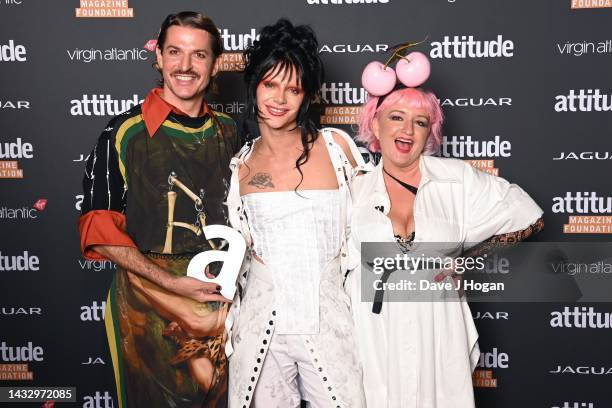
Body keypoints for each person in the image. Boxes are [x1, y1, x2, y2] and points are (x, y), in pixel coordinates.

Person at [77, 11, 240, 408]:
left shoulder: (234, 132)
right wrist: (169, 283)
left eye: (198, 55)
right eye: (175, 52)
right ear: (158, 58)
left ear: (215, 63)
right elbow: (99, 230)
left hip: (221, 313)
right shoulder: (123, 134)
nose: (185, 66)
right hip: (145, 318)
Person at [347, 85, 544, 407]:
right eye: (396, 117)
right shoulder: (353, 189)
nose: (407, 130)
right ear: (375, 124)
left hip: (437, 323)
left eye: (421, 122)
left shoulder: (457, 179)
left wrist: (466, 261)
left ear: (430, 134)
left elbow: (528, 217)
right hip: (373, 328)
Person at [224, 19, 369, 408]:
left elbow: (378, 224)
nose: (279, 98)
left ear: (306, 96)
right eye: (270, 83)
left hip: (333, 326)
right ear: (254, 84)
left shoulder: (337, 149)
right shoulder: (242, 165)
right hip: (262, 333)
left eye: (293, 88)